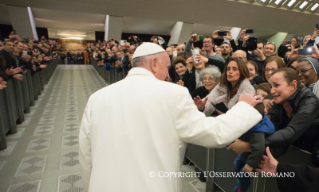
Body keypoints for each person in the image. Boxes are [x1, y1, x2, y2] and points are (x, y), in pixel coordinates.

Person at [79, 43, 263, 192]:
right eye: (167, 67)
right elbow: (214, 133)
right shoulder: (174, 93)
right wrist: (245, 107)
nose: (168, 75)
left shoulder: (96, 98)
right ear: (154, 64)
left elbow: (86, 156)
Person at [227, 68, 319, 159]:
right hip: (292, 156)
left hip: (310, 158)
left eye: (276, 85)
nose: (272, 91)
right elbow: (272, 135)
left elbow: (291, 133)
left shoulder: (310, 102)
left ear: (293, 85)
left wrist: (251, 145)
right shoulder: (277, 104)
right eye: (271, 86)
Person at [233, 104, 275, 192]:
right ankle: (239, 182)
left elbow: (259, 149)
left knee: (243, 175)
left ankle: (242, 189)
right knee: (236, 165)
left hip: (251, 160)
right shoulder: (249, 124)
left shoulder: (256, 132)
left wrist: (250, 165)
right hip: (244, 155)